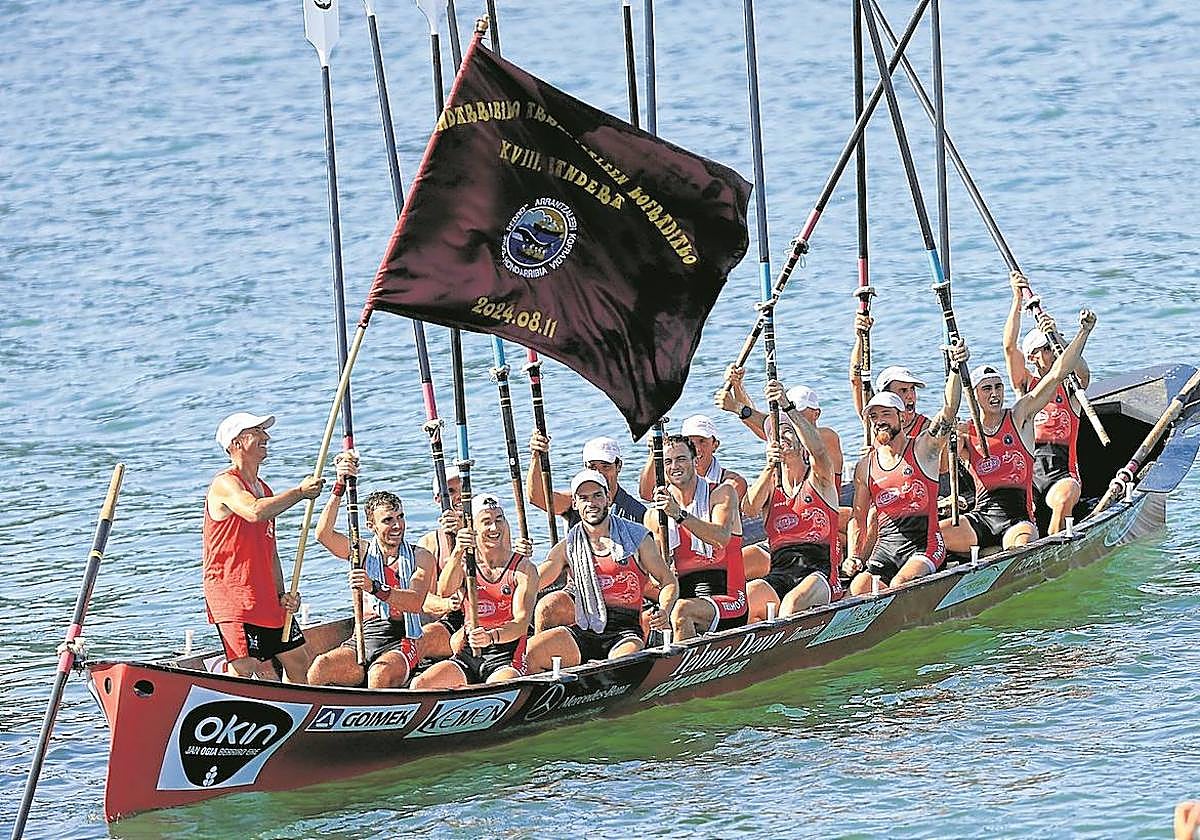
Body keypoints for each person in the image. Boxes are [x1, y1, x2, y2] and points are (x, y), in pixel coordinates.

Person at [942, 310, 1097, 553]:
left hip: (1021, 515)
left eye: (998, 387)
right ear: (974, 395)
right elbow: (948, 414)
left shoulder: (1019, 415)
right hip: (982, 517)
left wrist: (1083, 333)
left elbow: (1058, 374)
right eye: (987, 389)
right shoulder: (964, 432)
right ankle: (984, 554)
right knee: (932, 538)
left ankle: (1053, 552)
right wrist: (954, 368)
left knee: (1030, 535)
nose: (994, 394)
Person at [202, 412, 323, 682]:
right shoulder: (225, 483)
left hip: (264, 594)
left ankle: (297, 714)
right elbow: (253, 512)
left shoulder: (265, 490)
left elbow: (271, 552)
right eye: (257, 431)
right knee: (244, 667)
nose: (266, 437)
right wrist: (300, 493)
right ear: (236, 443)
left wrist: (283, 596)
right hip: (233, 595)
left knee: (298, 659)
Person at [846, 340, 968, 594]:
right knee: (858, 588)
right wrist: (854, 556)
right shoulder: (864, 466)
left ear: (902, 417)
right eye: (874, 417)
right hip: (886, 547)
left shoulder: (923, 448)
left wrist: (956, 368)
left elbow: (948, 411)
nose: (879, 422)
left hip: (924, 545)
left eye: (886, 415)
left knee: (900, 585)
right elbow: (858, 518)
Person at [524, 470, 677, 671]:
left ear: (608, 498)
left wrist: (665, 611)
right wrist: (520, 561)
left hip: (625, 632)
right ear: (575, 504)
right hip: (584, 631)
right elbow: (532, 583)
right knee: (531, 653)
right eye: (584, 498)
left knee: (621, 664)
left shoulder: (637, 538)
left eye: (597, 495)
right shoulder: (567, 547)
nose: (591, 503)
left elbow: (668, 581)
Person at [308, 460, 436, 689]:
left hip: (404, 634)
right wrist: (339, 486)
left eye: (401, 517)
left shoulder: (421, 556)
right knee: (320, 666)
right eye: (388, 520)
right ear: (371, 526)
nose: (397, 525)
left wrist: (374, 587)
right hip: (367, 634)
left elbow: (415, 603)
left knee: (379, 675)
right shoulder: (361, 552)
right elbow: (323, 534)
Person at [410, 494, 536, 688]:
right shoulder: (465, 564)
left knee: (494, 689)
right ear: (473, 529)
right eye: (487, 522)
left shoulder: (524, 569)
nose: (494, 528)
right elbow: (444, 591)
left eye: (499, 520)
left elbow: (521, 623)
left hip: (506, 653)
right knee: (420, 684)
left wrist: (491, 637)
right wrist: (458, 551)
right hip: (470, 652)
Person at [526, 434, 647, 632]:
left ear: (619, 467)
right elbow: (537, 497)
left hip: (624, 592)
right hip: (581, 587)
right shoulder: (577, 502)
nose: (599, 473)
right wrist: (536, 456)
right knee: (547, 608)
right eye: (592, 467)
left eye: (605, 467)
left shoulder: (637, 513)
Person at [744, 380, 843, 619]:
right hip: (780, 572)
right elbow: (748, 509)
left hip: (818, 574)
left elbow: (819, 450)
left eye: (788, 431)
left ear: (801, 442)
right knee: (747, 597)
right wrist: (769, 468)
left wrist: (788, 407)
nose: (782, 437)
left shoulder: (820, 476)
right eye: (778, 433)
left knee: (791, 605)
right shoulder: (771, 482)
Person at [1002, 270, 1091, 534]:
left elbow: (1082, 371)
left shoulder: (1070, 386)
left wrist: (1059, 337)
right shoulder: (1025, 387)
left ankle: (1052, 548)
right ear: (1032, 356)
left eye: (1053, 348)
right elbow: (1009, 347)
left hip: (1060, 473)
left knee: (1064, 497)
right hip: (1028, 470)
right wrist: (1016, 300)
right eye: (1046, 348)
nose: (1052, 353)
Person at [643, 435, 747, 641]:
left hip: (730, 599)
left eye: (681, 459)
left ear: (695, 461)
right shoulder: (655, 516)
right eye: (668, 462)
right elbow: (661, 578)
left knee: (681, 611)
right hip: (683, 595)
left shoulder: (722, 493)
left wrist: (678, 514)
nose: (675, 466)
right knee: (647, 618)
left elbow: (721, 539)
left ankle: (681, 669)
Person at [415, 464, 466, 660]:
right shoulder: (428, 544)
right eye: (451, 492)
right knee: (422, 639)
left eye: (462, 490)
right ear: (438, 499)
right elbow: (422, 599)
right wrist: (446, 604)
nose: (459, 497)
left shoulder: (489, 530)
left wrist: (462, 529)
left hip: (486, 614)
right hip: (450, 620)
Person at [639, 414, 748, 501]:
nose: (696, 448)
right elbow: (647, 494)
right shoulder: (672, 479)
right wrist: (655, 451)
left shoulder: (733, 482)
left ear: (715, 445)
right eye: (690, 442)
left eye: (702, 441)